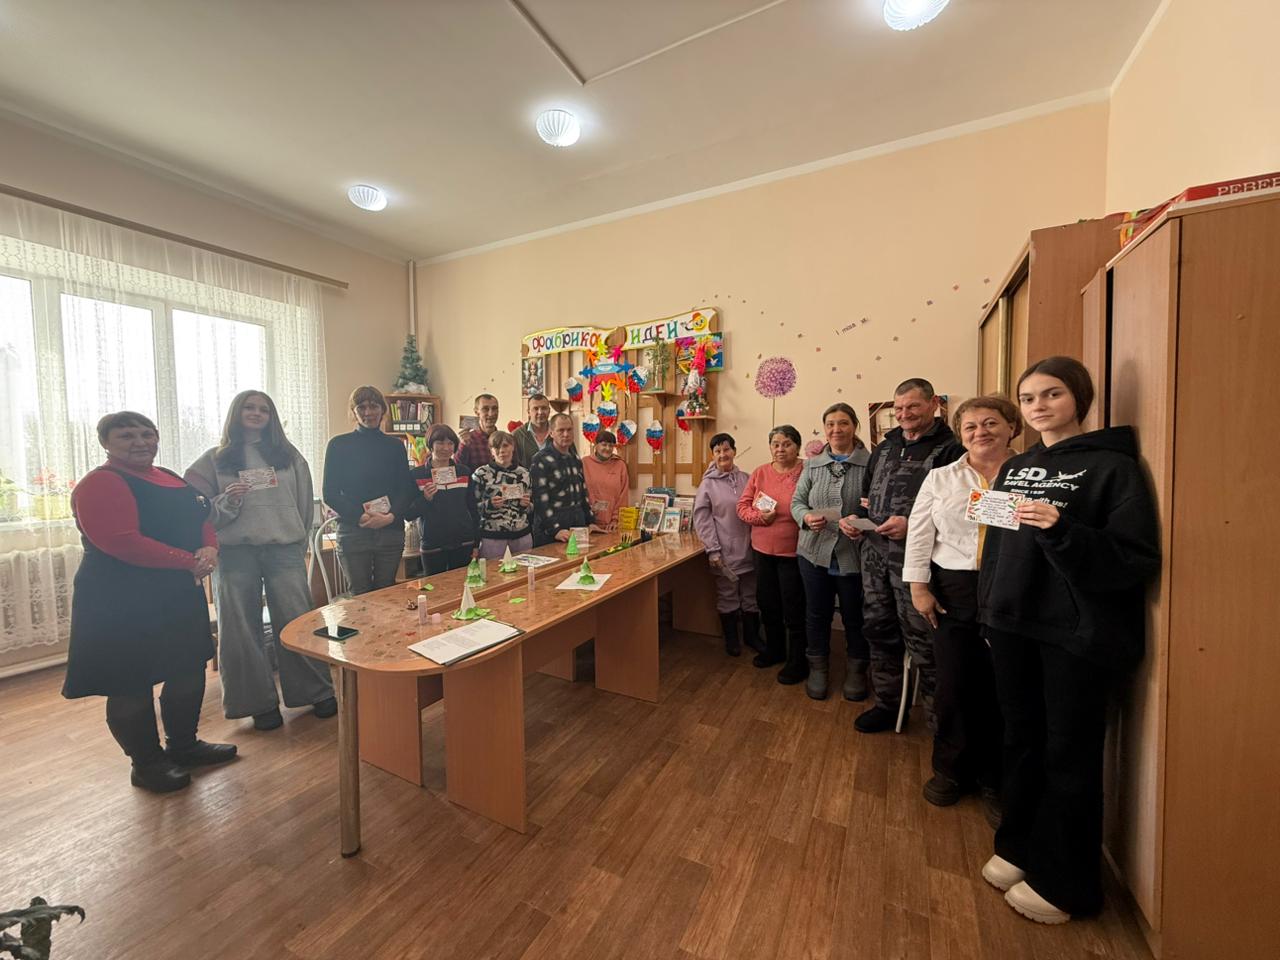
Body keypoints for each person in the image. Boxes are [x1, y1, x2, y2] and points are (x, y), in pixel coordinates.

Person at [977, 357, 1158, 925]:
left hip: (1074, 633)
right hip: (1011, 624)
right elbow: (997, 547)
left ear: (1080, 397)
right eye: (1029, 397)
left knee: (1069, 753)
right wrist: (989, 612)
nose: (1039, 406)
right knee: (1019, 739)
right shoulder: (1015, 466)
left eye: (1052, 394)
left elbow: (1133, 559)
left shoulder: (1112, 468)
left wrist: (1062, 529)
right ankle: (1019, 845)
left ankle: (1067, 884)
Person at [63, 411, 236, 793]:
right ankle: (146, 763)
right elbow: (122, 542)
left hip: (176, 591)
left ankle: (184, 746)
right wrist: (189, 561)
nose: (140, 442)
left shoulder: (169, 476)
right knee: (130, 681)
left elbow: (202, 516)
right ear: (105, 443)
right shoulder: (100, 483)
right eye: (126, 436)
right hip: (119, 598)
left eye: (146, 434)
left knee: (187, 668)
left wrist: (210, 547)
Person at [185, 391, 335, 731]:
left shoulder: (289, 456)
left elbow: (303, 504)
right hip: (235, 553)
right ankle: (256, 703)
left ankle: (316, 691)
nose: (256, 413)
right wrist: (227, 501)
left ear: (271, 417)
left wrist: (297, 542)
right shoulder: (214, 459)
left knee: (298, 621)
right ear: (236, 413)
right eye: (249, 408)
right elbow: (197, 512)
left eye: (263, 409)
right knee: (239, 628)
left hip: (284, 550)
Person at [902, 395, 1019, 819]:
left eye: (990, 423)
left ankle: (995, 778)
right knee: (954, 683)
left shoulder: (1030, 475)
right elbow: (920, 533)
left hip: (1012, 586)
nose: (980, 432)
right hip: (955, 588)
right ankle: (951, 769)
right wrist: (919, 587)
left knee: (1004, 687)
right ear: (960, 434)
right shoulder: (942, 478)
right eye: (970, 426)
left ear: (1012, 427)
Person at [850, 377, 962, 733]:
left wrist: (911, 524)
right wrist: (858, 520)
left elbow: (957, 513)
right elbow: (867, 497)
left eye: (912, 406)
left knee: (925, 643)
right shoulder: (884, 448)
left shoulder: (952, 450)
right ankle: (887, 705)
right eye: (898, 408)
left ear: (933, 404)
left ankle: (939, 725)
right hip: (875, 559)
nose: (904, 414)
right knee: (878, 630)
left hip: (920, 565)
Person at [792, 403, 871, 701]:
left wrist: (861, 523)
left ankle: (857, 669)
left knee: (854, 616)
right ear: (825, 429)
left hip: (853, 555)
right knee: (817, 613)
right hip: (813, 554)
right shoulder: (812, 465)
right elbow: (797, 502)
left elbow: (877, 505)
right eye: (830, 424)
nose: (836, 429)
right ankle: (819, 668)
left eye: (843, 423)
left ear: (854, 426)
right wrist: (806, 517)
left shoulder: (871, 463)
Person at [322, 386, 420, 594]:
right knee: (360, 594)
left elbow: (406, 489)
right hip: (354, 531)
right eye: (362, 407)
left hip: (390, 531)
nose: (368, 412)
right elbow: (330, 493)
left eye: (374, 406)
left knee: (386, 592)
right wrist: (361, 517)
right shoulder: (338, 445)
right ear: (353, 411)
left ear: (383, 409)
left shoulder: (395, 446)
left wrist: (390, 517)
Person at [736, 425, 808, 683]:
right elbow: (742, 506)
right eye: (775, 444)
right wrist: (759, 517)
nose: (780, 449)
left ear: (797, 446)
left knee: (794, 608)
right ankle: (775, 650)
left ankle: (798, 661)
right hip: (762, 551)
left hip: (795, 553)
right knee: (767, 604)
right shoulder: (760, 472)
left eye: (786, 444)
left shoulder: (807, 471)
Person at [693, 433, 760, 657]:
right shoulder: (707, 485)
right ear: (712, 455)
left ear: (734, 451)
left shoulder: (747, 478)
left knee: (751, 595)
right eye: (717, 451)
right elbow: (702, 520)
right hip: (724, 551)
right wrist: (712, 550)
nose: (723, 454)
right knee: (727, 594)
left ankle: (752, 636)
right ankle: (732, 640)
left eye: (726, 449)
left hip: (750, 548)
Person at [410, 424, 477, 574]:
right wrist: (425, 499)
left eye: (450, 443)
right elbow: (409, 514)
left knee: (462, 583)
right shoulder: (417, 475)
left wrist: (476, 542)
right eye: (440, 443)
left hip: (463, 541)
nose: (446, 448)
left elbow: (473, 508)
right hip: (432, 543)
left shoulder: (463, 472)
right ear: (430, 445)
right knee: (434, 586)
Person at [530, 413, 604, 545]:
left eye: (569, 430)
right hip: (551, 530)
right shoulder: (541, 459)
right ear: (551, 433)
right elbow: (540, 501)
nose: (566, 434)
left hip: (577, 523)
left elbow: (582, 493)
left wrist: (590, 521)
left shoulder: (575, 459)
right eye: (561, 430)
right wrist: (555, 530)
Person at [469, 430, 534, 560]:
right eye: (496, 447)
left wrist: (526, 505)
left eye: (505, 445)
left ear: (513, 447)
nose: (502, 450)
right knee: (493, 572)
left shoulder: (524, 474)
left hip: (522, 535)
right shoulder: (480, 474)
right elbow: (471, 508)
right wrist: (489, 505)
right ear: (491, 450)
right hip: (492, 536)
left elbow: (532, 507)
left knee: (524, 571)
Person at [582, 430, 629, 529]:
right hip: (587, 524)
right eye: (604, 445)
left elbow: (623, 496)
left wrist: (616, 519)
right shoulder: (584, 463)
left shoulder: (620, 465)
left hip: (611, 525)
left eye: (611, 446)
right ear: (596, 445)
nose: (607, 448)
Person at [456, 393, 500, 472]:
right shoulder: (467, 440)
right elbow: (457, 468)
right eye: (485, 409)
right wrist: (463, 446)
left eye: (494, 408)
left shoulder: (505, 439)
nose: (491, 414)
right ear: (476, 412)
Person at [513, 393, 553, 467]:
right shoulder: (517, 436)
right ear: (528, 412)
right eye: (536, 408)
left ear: (549, 410)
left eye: (544, 408)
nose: (540, 412)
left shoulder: (560, 432)